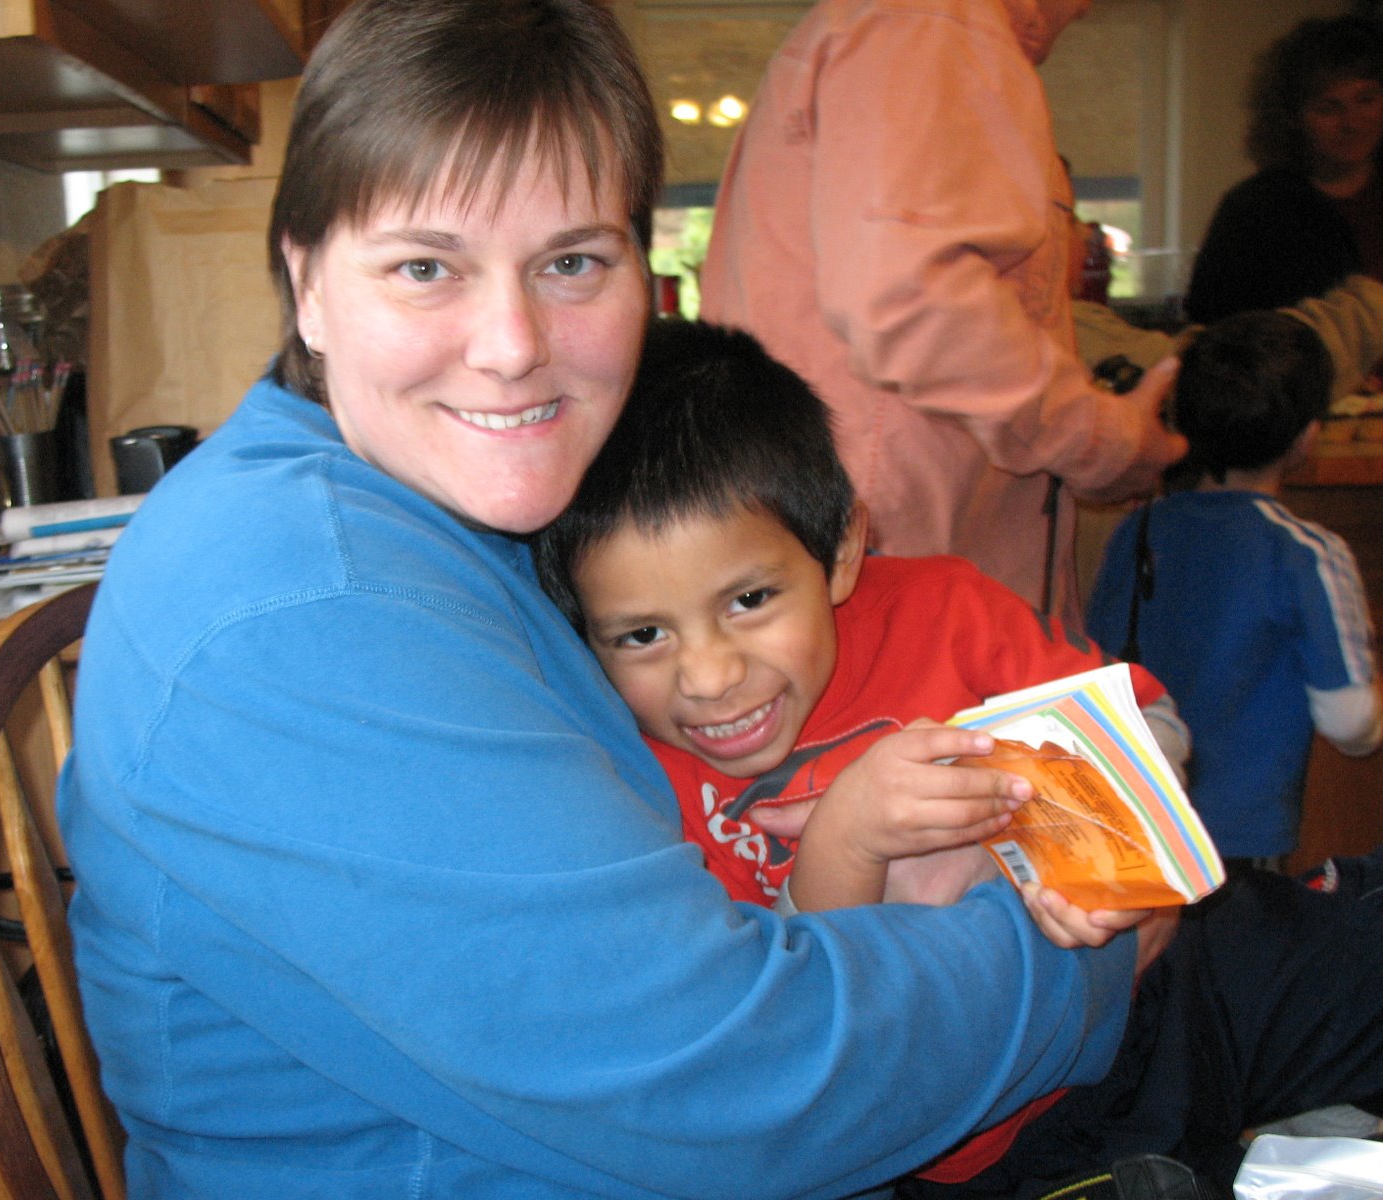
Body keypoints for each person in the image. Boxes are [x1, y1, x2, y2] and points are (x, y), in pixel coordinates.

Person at [56, 2, 1147, 1197]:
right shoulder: (305, 608)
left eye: (571, 262)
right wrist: (1107, 910)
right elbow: (734, 1093)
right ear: (305, 280)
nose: (513, 344)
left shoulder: (447, 517)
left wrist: (1102, 784)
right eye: (425, 268)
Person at [533, 317, 1383, 1194]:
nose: (709, 677)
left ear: (841, 550)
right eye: (641, 635)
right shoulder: (634, 785)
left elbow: (1149, 720)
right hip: (977, 1140)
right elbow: (796, 1014)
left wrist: (1094, 839)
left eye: (749, 599)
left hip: (1171, 985)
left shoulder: (941, 608)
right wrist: (847, 836)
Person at [699, 0, 1187, 624]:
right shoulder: (930, 23)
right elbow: (908, 296)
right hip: (895, 581)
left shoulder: (919, 25)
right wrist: (1102, 442)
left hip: (876, 565)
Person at [1087, 311, 1383, 874]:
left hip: (1136, 816)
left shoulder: (1137, 530)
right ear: (1307, 434)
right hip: (1244, 838)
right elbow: (1351, 722)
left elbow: (1094, 662)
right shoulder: (1305, 552)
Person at [1186, 16, 1383, 325]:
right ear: (1293, 118)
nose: (1352, 123)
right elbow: (1214, 325)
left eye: (1366, 100)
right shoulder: (1253, 211)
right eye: (1328, 108)